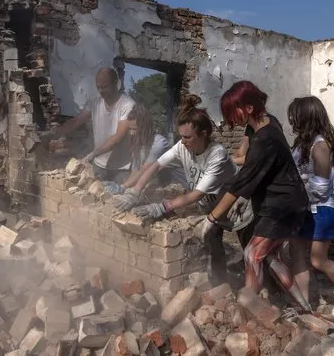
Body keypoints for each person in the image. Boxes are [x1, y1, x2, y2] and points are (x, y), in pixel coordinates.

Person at [112, 95, 248, 285]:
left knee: (250, 249)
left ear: (204, 134)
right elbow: (156, 166)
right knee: (213, 242)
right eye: (181, 136)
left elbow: (195, 194)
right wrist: (135, 191)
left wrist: (162, 207)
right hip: (212, 206)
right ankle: (221, 285)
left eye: (187, 137)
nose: (183, 141)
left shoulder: (217, 156)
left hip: (237, 206)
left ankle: (264, 291)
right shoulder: (182, 146)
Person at [204, 81, 312, 311]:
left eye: (233, 112)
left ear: (249, 108)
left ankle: (248, 307)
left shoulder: (265, 139)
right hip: (287, 201)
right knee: (270, 257)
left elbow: (240, 183)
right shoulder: (266, 122)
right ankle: (303, 306)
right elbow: (247, 154)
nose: (231, 118)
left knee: (252, 253)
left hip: (283, 206)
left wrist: (211, 219)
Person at [287, 96, 334, 320]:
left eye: (295, 117)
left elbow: (321, 188)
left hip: (320, 210)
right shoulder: (301, 144)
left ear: (307, 118)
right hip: (302, 208)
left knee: (318, 259)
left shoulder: (320, 147)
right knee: (296, 253)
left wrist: (294, 194)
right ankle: (304, 303)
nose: (292, 121)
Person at [54, 67, 135, 184]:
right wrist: (56, 132)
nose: (101, 91)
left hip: (121, 169)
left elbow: (118, 137)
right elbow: (76, 121)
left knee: (117, 199)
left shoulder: (128, 105)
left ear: (115, 83)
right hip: (99, 165)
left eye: (105, 87)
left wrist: (93, 154)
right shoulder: (95, 103)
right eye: (99, 87)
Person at [103, 103, 186, 194]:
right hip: (159, 179)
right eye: (130, 129)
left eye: (134, 129)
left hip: (178, 180)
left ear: (145, 128)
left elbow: (144, 170)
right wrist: (123, 187)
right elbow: (135, 171)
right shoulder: (137, 146)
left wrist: (123, 186)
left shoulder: (158, 144)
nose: (131, 133)